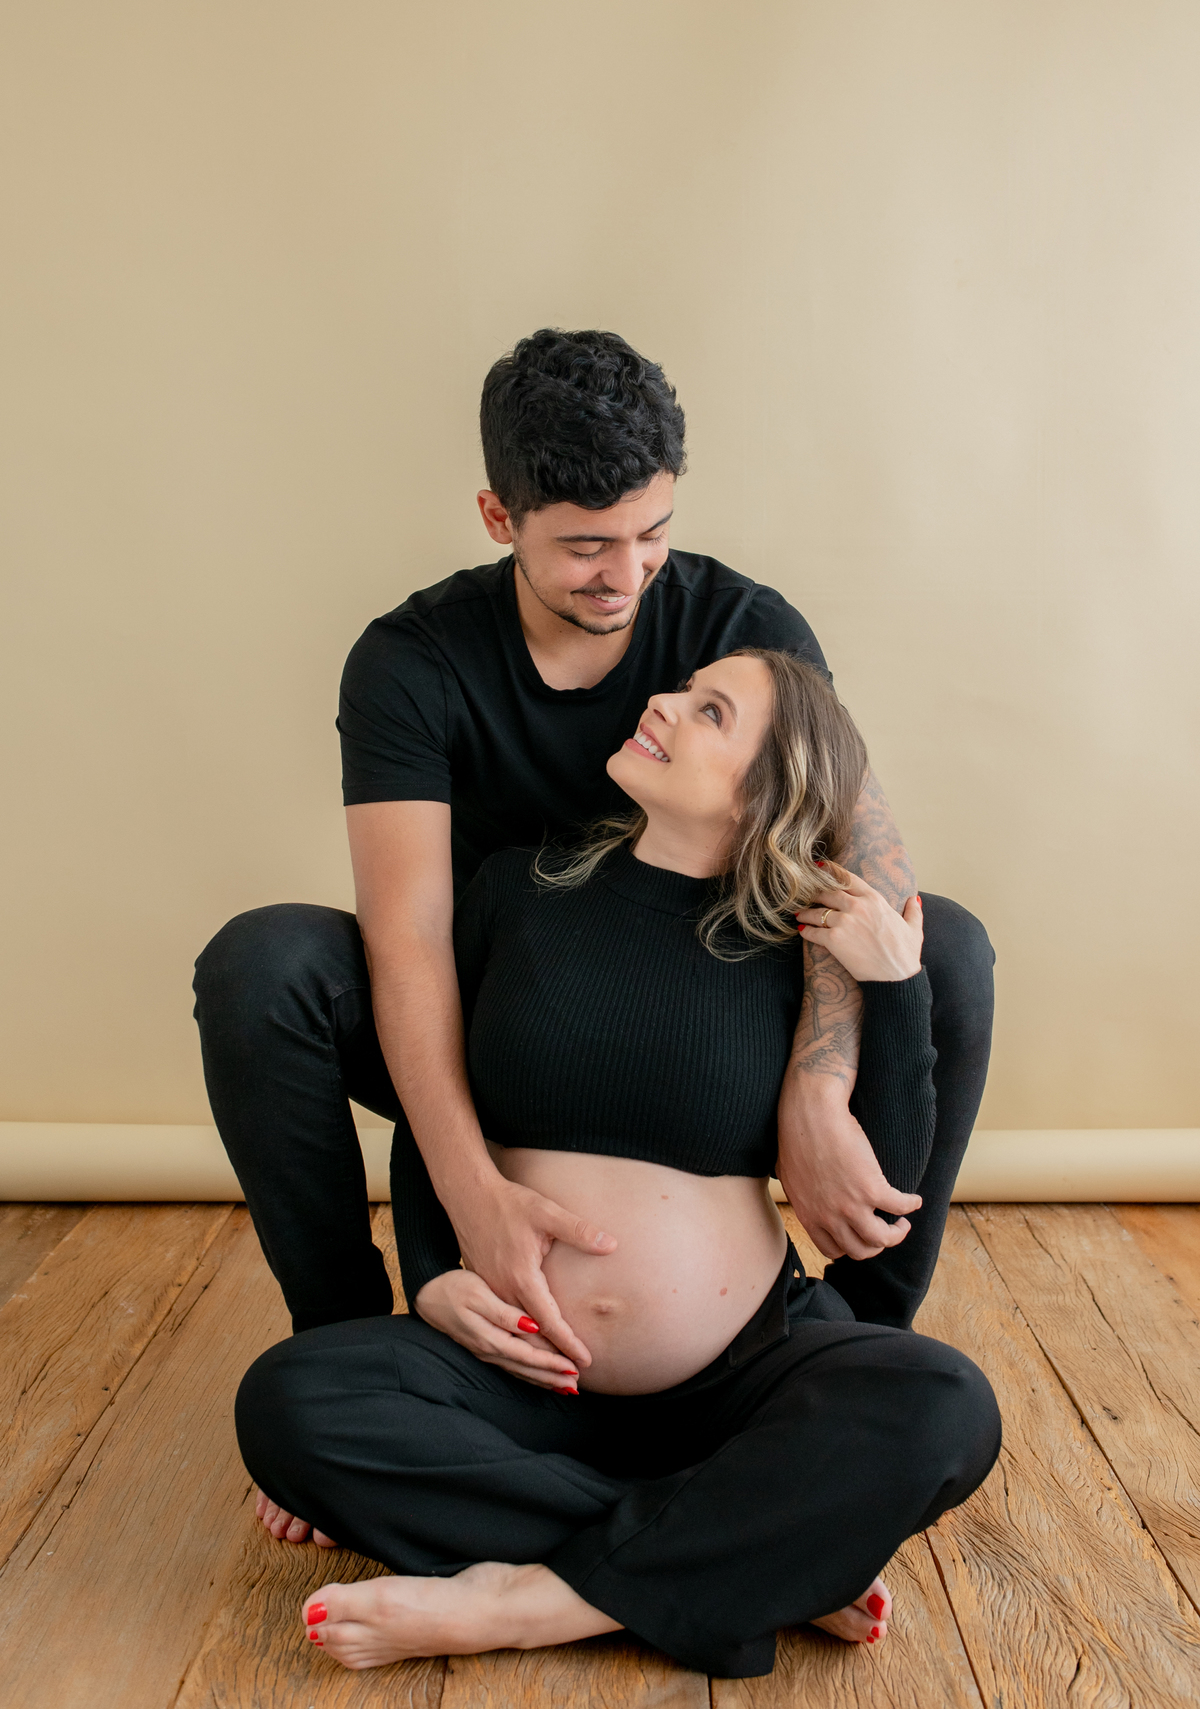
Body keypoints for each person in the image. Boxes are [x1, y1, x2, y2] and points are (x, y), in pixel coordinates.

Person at [193, 328, 996, 1388]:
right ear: (500, 518)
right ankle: (350, 1343)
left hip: (711, 1004)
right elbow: (410, 936)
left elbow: (863, 863)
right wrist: (472, 1195)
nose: (627, 574)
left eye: (651, 532)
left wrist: (817, 1085)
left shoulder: (746, 628)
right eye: (585, 546)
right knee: (262, 965)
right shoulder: (409, 662)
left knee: (947, 951)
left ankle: (859, 1346)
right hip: (509, 1014)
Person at [235, 650, 1001, 1678]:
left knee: (947, 1401)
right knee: (288, 1403)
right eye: (682, 691)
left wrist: (895, 983)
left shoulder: (795, 945)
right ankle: (748, 1554)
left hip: (739, 1375)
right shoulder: (518, 889)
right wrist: (432, 1274)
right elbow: (438, 1102)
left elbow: (884, 1201)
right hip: (519, 1369)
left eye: (711, 712)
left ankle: (523, 1601)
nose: (664, 705)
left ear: (764, 790)